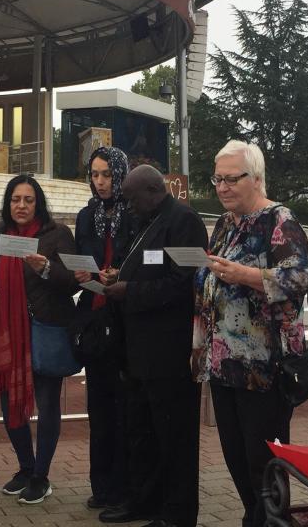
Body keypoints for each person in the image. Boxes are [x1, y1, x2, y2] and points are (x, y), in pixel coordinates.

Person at [192, 141, 308, 527]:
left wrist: (246, 275)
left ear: (256, 178)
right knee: (237, 461)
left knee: (265, 467)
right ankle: (253, 519)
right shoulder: (226, 224)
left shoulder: (280, 221)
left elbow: (297, 280)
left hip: (265, 370)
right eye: (217, 179)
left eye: (231, 179)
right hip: (225, 366)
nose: (222, 187)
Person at [101, 165, 207, 527]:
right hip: (138, 351)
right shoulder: (145, 220)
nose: (128, 207)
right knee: (142, 432)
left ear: (152, 190)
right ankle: (144, 502)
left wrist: (129, 290)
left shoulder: (184, 221)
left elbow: (183, 285)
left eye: (131, 199)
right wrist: (121, 275)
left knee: (174, 437)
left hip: (168, 353)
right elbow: (146, 265)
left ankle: (177, 515)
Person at [0, 175, 79, 505]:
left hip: (46, 330)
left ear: (38, 202)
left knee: (48, 405)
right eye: (16, 200)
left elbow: (73, 281)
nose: (22, 206)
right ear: (8, 203)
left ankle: (41, 476)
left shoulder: (57, 234)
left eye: (28, 200)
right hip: (8, 333)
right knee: (7, 404)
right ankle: (26, 468)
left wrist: (46, 269)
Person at [73, 147, 132, 510]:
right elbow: (83, 257)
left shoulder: (135, 213)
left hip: (125, 320)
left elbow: (139, 261)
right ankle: (102, 486)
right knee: (99, 409)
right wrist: (81, 274)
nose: (100, 182)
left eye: (107, 174)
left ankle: (124, 487)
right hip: (95, 317)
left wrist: (119, 275)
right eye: (95, 174)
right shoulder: (85, 215)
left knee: (123, 409)